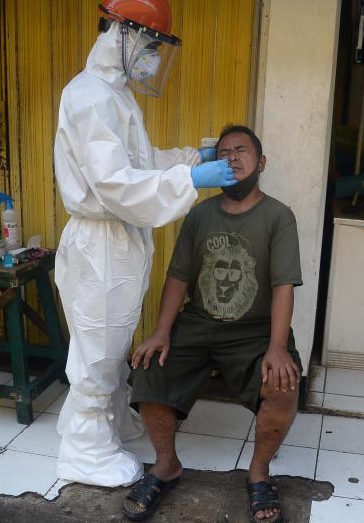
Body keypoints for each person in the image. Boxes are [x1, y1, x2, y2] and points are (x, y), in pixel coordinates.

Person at [53, 0, 238, 488]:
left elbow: (140, 165)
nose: (155, 59)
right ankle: (84, 449)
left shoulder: (115, 97)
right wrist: (189, 182)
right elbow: (115, 184)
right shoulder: (90, 96)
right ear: (124, 34)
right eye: (153, 45)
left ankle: (105, 424)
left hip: (117, 241)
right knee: (97, 350)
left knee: (110, 343)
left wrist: (189, 160)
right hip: (101, 242)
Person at [122, 125, 302, 522]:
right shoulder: (199, 215)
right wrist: (160, 332)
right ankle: (166, 465)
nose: (233, 157)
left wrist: (277, 347)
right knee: (148, 366)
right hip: (199, 323)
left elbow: (283, 286)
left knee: (283, 382)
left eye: (242, 150)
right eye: (224, 153)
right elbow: (178, 278)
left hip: (254, 331)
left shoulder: (278, 217)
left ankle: (258, 473)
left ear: (262, 163)